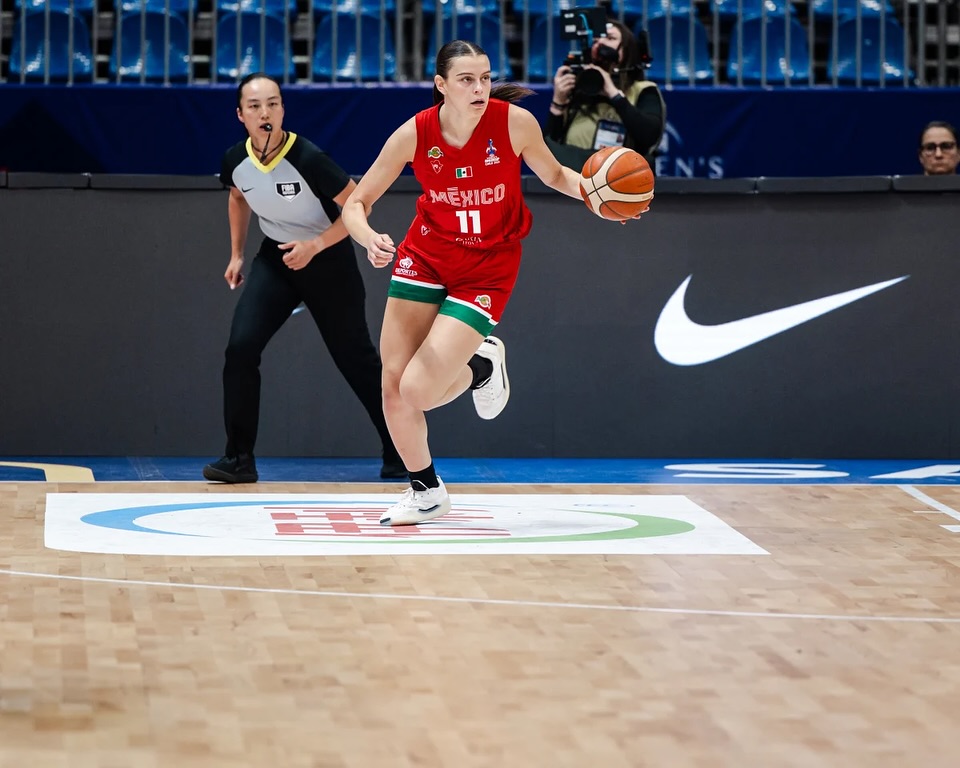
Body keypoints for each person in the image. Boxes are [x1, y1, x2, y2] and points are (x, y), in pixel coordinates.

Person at [342, 40, 647, 526]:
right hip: (425, 255)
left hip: (487, 264)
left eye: (485, 77)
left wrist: (593, 193)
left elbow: (553, 174)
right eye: (466, 80)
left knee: (418, 391)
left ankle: (481, 366)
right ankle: (425, 491)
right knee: (392, 388)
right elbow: (355, 204)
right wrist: (367, 238)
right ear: (441, 86)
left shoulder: (513, 123)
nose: (479, 87)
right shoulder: (413, 134)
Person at [203, 72, 406, 484]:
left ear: (282, 110)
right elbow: (238, 196)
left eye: (273, 104)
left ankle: (401, 450)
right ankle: (239, 459)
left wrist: (314, 246)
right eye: (256, 106)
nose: (266, 113)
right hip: (276, 259)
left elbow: (356, 207)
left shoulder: (307, 157)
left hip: (327, 260)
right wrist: (237, 253)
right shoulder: (234, 160)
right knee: (240, 349)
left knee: (356, 359)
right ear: (240, 115)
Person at [543, 19, 665, 172]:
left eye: (610, 38)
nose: (600, 43)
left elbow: (649, 137)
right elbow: (547, 148)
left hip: (620, 177)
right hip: (571, 178)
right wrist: (558, 102)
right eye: (595, 40)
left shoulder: (643, 90)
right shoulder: (577, 87)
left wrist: (614, 95)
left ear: (627, 50)